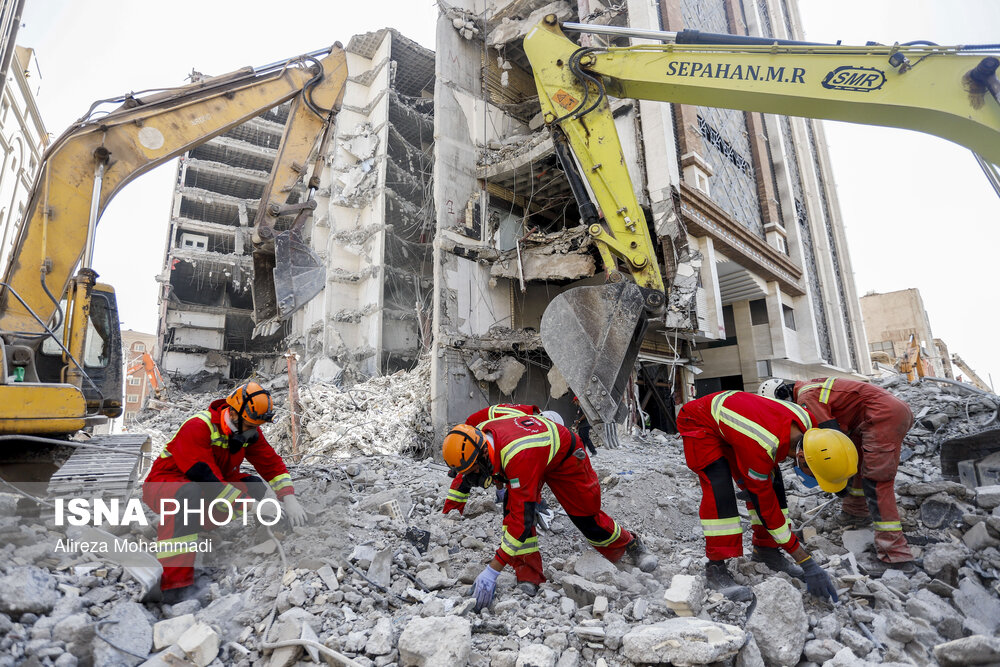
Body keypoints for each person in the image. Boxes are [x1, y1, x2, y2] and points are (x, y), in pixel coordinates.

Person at [441, 406, 657, 611]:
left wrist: (492, 571)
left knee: (586, 518)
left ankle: (631, 544)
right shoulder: (478, 438)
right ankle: (529, 575)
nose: (474, 475)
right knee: (511, 509)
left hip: (565, 457)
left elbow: (521, 522)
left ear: (484, 456)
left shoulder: (517, 455)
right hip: (532, 456)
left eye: (476, 470)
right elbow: (476, 471)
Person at [677, 390, 851, 602]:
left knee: (773, 482)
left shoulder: (808, 424)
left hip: (738, 424)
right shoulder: (762, 446)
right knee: (719, 489)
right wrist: (806, 561)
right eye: (815, 473)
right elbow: (767, 508)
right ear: (803, 457)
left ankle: (766, 550)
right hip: (699, 420)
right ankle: (716, 568)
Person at [142, 382, 306, 601]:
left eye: (256, 426)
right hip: (167, 484)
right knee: (189, 495)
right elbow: (207, 481)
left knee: (254, 485)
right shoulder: (198, 427)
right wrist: (252, 506)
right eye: (250, 425)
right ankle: (173, 585)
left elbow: (271, 465)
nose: (253, 431)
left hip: (208, 485)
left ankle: (200, 526)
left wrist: (289, 498)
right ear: (234, 414)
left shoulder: (247, 430)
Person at [759, 377, 916, 568]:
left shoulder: (806, 397)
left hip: (882, 417)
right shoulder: (809, 388)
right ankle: (856, 513)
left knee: (876, 482)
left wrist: (839, 483)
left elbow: (832, 437)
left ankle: (896, 554)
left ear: (783, 396)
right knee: (857, 464)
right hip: (873, 418)